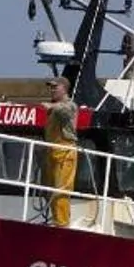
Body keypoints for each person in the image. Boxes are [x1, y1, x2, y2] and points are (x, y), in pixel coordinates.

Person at [43, 77, 79, 227]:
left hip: (65, 152)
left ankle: (62, 224)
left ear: (64, 88)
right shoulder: (55, 107)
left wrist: (51, 107)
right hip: (52, 151)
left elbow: (66, 111)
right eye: (50, 87)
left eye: (54, 87)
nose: (51, 89)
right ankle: (55, 219)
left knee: (61, 192)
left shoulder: (70, 105)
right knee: (48, 190)